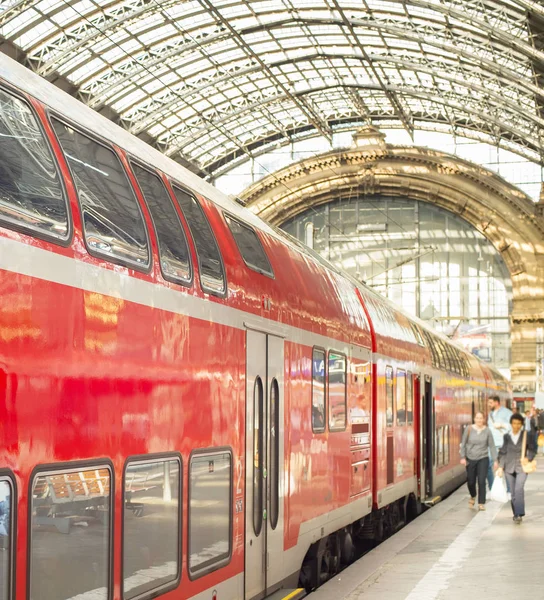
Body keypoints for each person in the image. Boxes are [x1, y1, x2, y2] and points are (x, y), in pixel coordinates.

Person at [497, 413, 537, 524]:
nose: (516, 425)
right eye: (514, 423)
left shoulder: (526, 435)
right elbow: (503, 452)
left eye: (519, 423)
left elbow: (533, 449)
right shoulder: (507, 436)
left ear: (522, 424)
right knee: (513, 493)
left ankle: (519, 513)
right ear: (511, 424)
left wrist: (528, 458)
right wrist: (500, 467)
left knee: (519, 489)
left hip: (522, 468)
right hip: (508, 468)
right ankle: (515, 514)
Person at [460, 412, 498, 510]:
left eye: (481, 418)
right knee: (471, 481)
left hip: (483, 458)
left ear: (484, 419)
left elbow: (492, 446)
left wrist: (495, 460)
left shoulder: (487, 431)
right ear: (474, 419)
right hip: (470, 458)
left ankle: (481, 503)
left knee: (481, 481)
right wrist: (463, 457)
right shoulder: (468, 429)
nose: (479, 420)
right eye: (477, 418)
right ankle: (473, 495)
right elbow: (463, 444)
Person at [486, 396, 512, 489]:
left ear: (497, 402)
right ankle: (492, 488)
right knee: (488, 466)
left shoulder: (507, 413)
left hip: (503, 444)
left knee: (506, 468)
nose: (489, 405)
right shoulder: (490, 414)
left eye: (491, 403)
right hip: (492, 445)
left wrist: (502, 425)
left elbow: (515, 425)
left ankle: (509, 491)